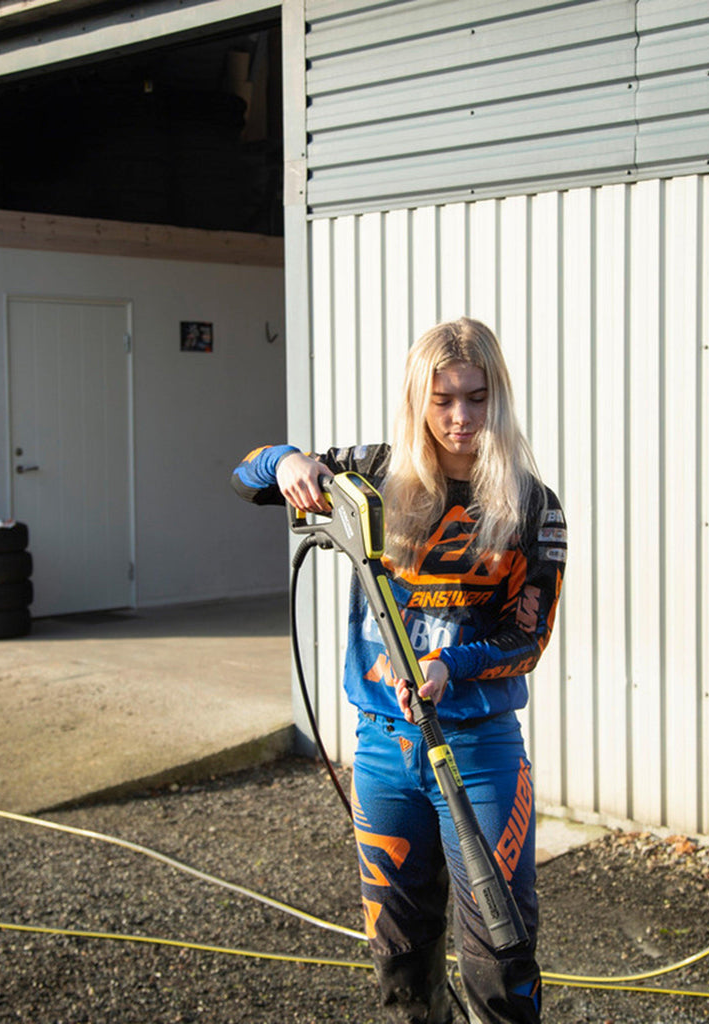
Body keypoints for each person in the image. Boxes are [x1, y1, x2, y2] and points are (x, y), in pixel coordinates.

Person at [231, 317, 566, 1024]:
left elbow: (527, 640)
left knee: (500, 964)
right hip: (384, 751)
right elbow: (246, 475)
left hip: (479, 753)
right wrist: (289, 462)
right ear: (418, 399)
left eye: (476, 398)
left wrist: (451, 665)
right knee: (401, 967)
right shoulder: (369, 476)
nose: (461, 418)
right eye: (442, 400)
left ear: (497, 397)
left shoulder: (533, 506)